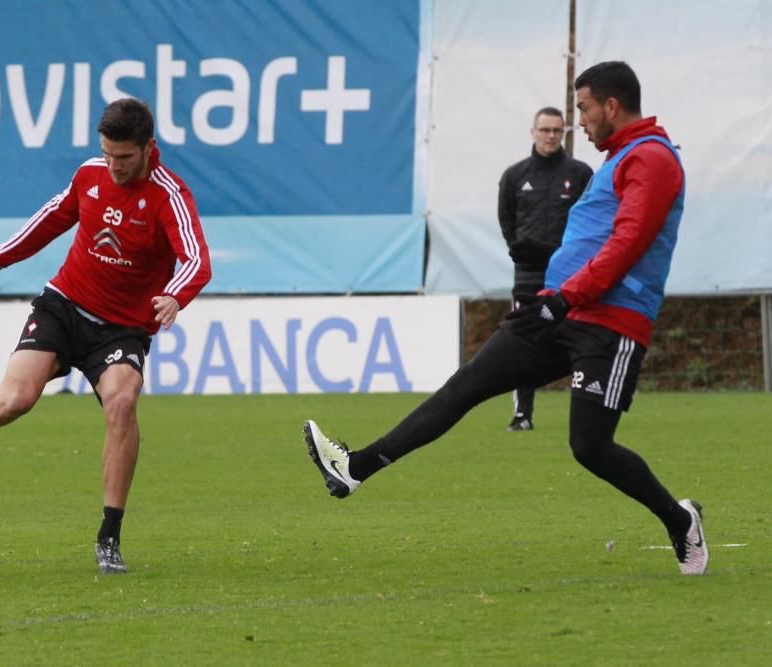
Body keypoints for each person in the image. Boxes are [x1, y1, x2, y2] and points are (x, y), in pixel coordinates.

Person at [304, 61, 709, 575]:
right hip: (559, 308)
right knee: (467, 385)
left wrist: (566, 296)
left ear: (611, 106)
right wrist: (554, 297)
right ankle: (353, 468)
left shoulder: (652, 159)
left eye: (582, 108)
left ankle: (680, 521)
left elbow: (628, 243)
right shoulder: (618, 158)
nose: (576, 121)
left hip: (610, 322)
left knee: (590, 446)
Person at [0, 98, 212, 575]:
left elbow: (197, 260)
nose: (114, 167)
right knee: (14, 398)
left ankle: (109, 537)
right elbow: (54, 216)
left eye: (124, 158)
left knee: (122, 403)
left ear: (148, 148)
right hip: (64, 306)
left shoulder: (169, 195)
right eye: (107, 154)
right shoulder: (91, 175)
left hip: (121, 328)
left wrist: (175, 297)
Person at [498, 108, 593, 431]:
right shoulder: (515, 175)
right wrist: (520, 250)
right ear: (533, 132)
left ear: (564, 133)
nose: (551, 135)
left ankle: (588, 411)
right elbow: (506, 219)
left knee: (580, 340)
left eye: (557, 130)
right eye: (545, 130)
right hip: (528, 277)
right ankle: (523, 414)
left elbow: (591, 222)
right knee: (522, 342)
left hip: (571, 278)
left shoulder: (580, 173)